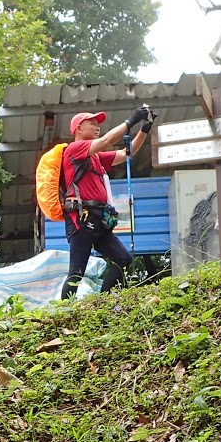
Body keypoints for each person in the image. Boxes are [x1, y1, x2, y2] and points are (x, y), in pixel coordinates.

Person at [59, 107, 154, 299]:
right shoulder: (74, 149)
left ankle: (102, 300)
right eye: (92, 124)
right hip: (81, 220)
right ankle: (65, 310)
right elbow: (105, 141)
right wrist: (131, 121)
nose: (97, 127)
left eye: (98, 125)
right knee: (76, 272)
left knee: (124, 258)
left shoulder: (94, 157)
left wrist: (144, 129)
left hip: (98, 219)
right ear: (78, 128)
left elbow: (126, 154)